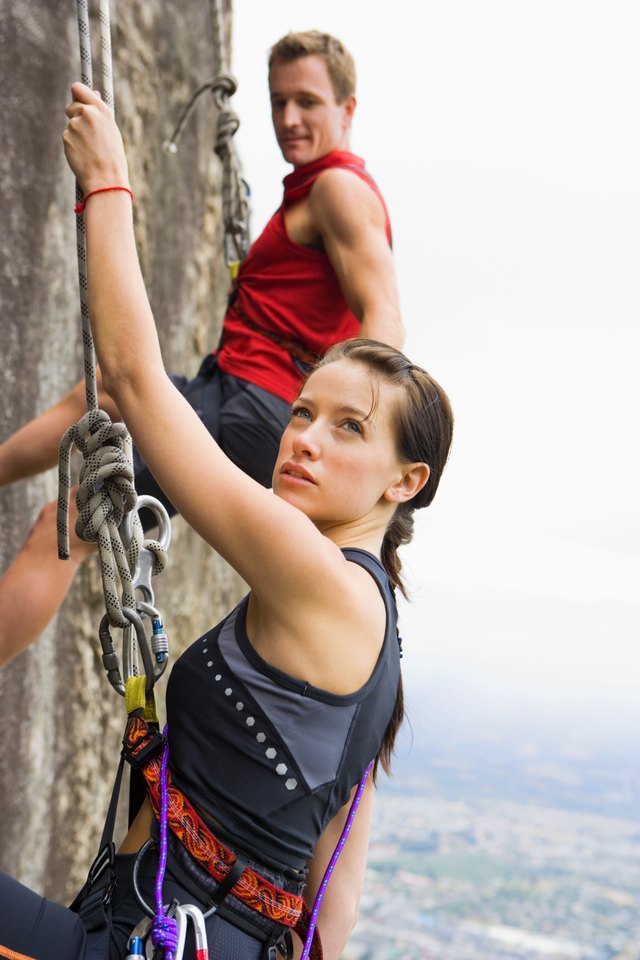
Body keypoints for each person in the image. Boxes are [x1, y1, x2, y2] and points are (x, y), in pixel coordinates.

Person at [0, 83, 453, 960]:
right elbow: (336, 910)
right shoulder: (379, 642)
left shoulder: (321, 580)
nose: (304, 439)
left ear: (407, 481)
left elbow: (135, 382)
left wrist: (107, 181)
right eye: (302, 413)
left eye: (348, 428)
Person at [0, 29, 403, 667]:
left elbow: (385, 315)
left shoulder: (339, 191)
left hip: (251, 402)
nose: (289, 119)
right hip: (238, 394)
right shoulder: (314, 188)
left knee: (69, 524)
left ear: (347, 110)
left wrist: (362, 435)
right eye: (277, 102)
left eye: (308, 102)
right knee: (97, 392)